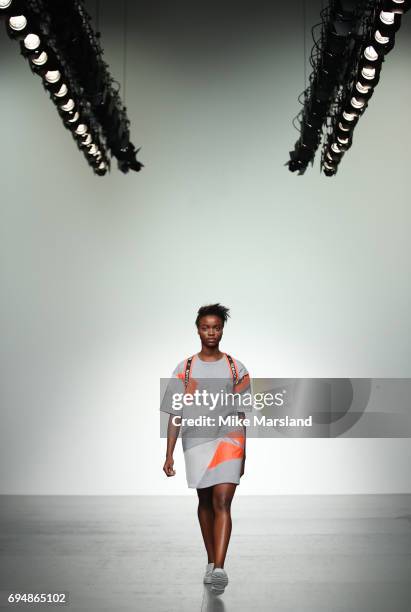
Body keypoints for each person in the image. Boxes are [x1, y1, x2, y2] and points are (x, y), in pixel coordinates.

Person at [160, 303, 251, 596]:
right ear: (198, 329)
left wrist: (243, 452)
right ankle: (211, 561)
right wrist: (169, 453)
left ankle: (220, 568)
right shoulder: (184, 369)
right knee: (205, 502)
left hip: (229, 441)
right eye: (205, 327)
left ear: (222, 330)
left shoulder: (236, 368)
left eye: (216, 327)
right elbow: (175, 414)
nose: (211, 332)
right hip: (195, 442)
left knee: (222, 502)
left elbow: (241, 414)